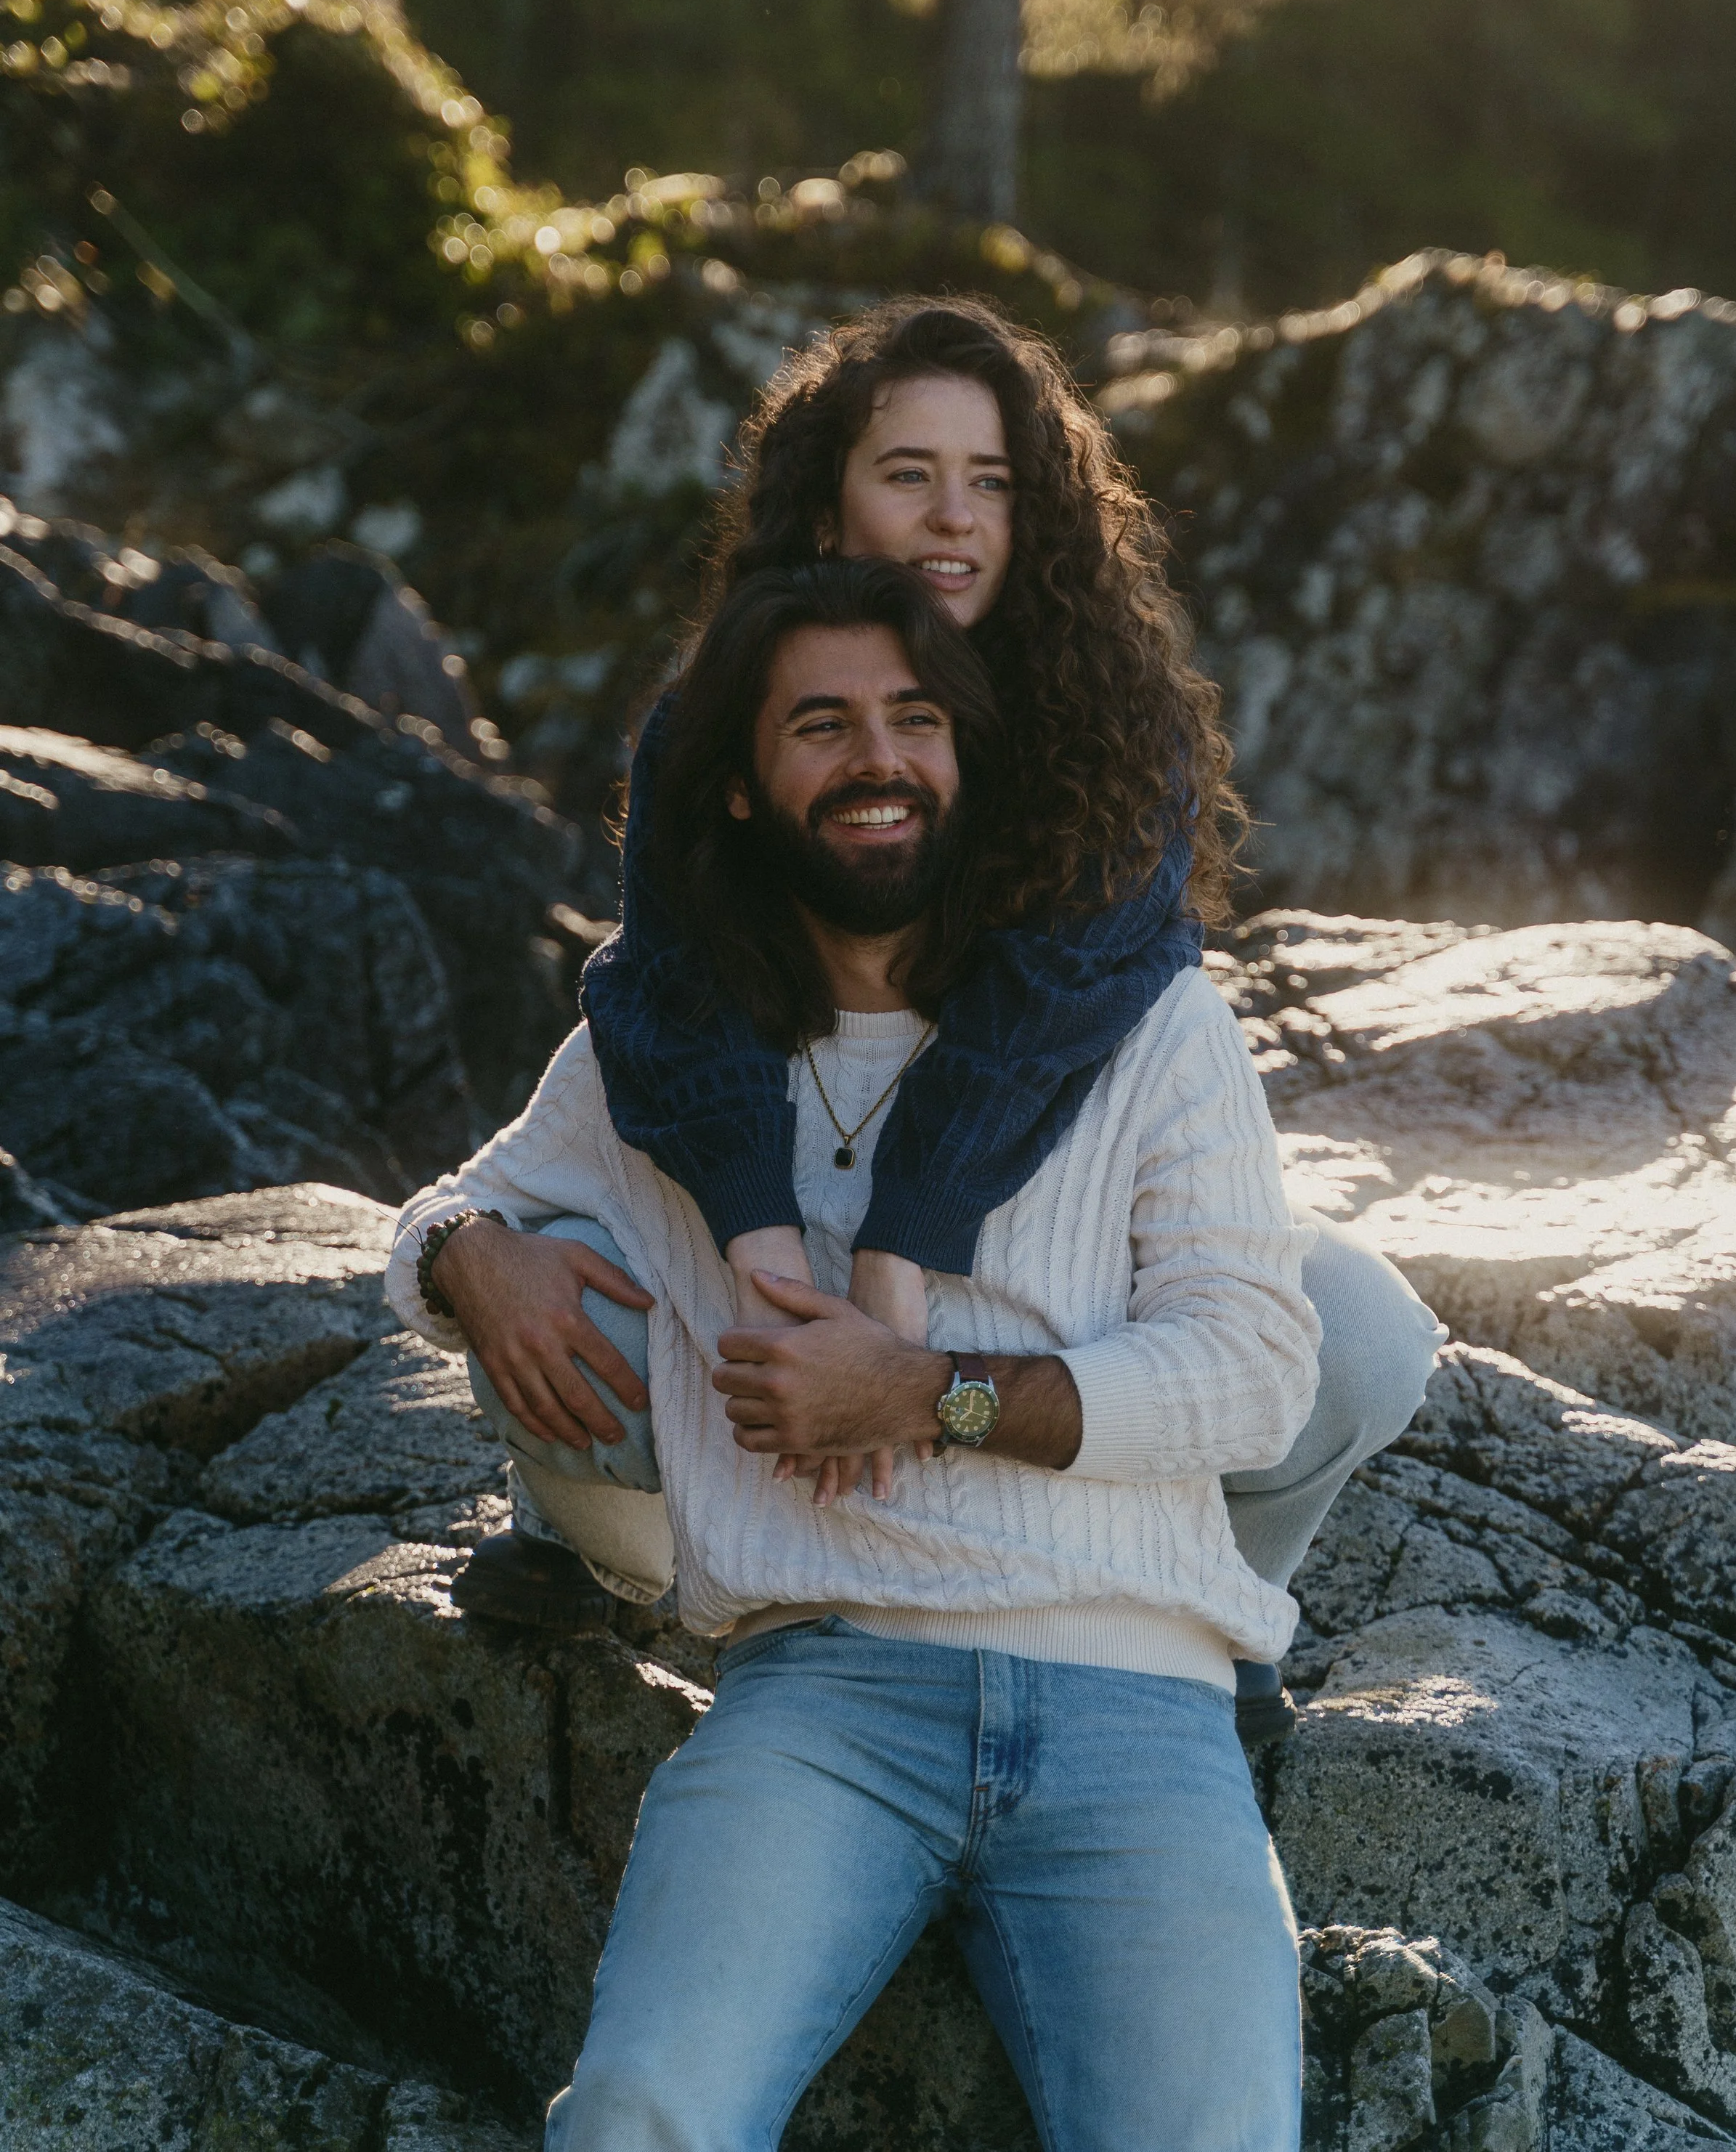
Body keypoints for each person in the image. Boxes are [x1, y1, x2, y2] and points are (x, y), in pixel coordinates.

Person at [389, 558, 1325, 2151]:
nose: (875, 759)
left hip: (1134, 1703)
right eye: (817, 726)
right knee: (636, 2117)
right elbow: (441, 1213)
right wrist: (474, 1262)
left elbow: (1257, 1373)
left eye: (913, 720)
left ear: (968, 759)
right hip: (818, 1697)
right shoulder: (667, 1057)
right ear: (745, 791)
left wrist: (930, 1394)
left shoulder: (1144, 1023)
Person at [451, 296, 1443, 1741]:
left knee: (1348, 1341)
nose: (953, 516)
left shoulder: (1111, 729)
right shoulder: (720, 714)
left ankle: (1215, 1628)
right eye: (906, 472)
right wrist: (755, 1239)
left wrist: (903, 1260)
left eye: (990, 480)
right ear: (826, 498)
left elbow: (1037, 1018)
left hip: (1051, 1235)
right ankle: (615, 1554)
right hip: (785, 1208)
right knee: (547, 1277)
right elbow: (661, 996)